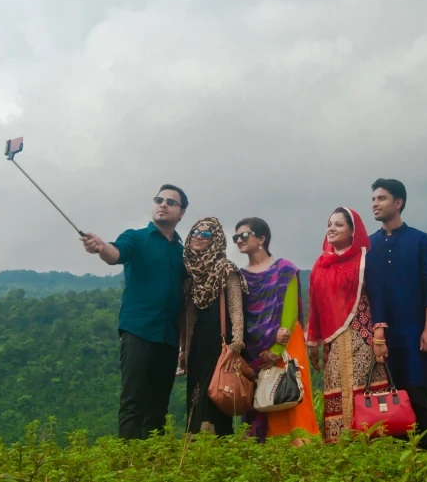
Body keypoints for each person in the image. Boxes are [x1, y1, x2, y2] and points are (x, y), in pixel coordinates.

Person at [80, 184, 187, 440]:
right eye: (159, 200)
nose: (163, 204)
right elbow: (114, 253)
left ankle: (153, 465)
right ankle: (128, 467)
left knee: (158, 407)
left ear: (181, 213)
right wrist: (100, 246)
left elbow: (184, 302)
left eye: (171, 202)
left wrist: (184, 346)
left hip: (169, 337)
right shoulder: (136, 238)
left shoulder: (182, 252)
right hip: (138, 330)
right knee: (133, 402)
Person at [367, 178, 427, 449]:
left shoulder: (421, 240)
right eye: (374, 198)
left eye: (382, 198)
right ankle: (395, 455)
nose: (375, 203)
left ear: (398, 203)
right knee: (386, 395)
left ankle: (426, 452)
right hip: (378, 333)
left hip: (413, 329)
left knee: (415, 390)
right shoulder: (369, 245)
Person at [306, 207, 389, 443]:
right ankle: (340, 453)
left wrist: (379, 336)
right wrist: (313, 342)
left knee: (366, 394)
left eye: (339, 224)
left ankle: (372, 456)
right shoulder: (321, 264)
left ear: (353, 230)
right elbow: (315, 304)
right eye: (329, 224)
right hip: (333, 345)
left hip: (362, 339)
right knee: (337, 392)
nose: (331, 228)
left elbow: (378, 297)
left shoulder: (365, 260)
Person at [234, 217, 319, 445]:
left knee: (288, 399)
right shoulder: (240, 277)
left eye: (244, 235)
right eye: (236, 237)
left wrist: (276, 349)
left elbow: (289, 316)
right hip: (253, 353)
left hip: (286, 347)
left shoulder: (285, 269)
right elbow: (241, 317)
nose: (239, 240)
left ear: (262, 238)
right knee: (259, 401)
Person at [178, 217, 248, 436]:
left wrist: (237, 343)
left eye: (206, 234)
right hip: (196, 346)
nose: (199, 236)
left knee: (216, 394)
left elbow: (236, 309)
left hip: (220, 345)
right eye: (196, 232)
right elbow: (187, 318)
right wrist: (184, 350)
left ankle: (217, 452)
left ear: (215, 240)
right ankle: (195, 452)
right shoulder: (190, 276)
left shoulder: (227, 270)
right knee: (196, 396)